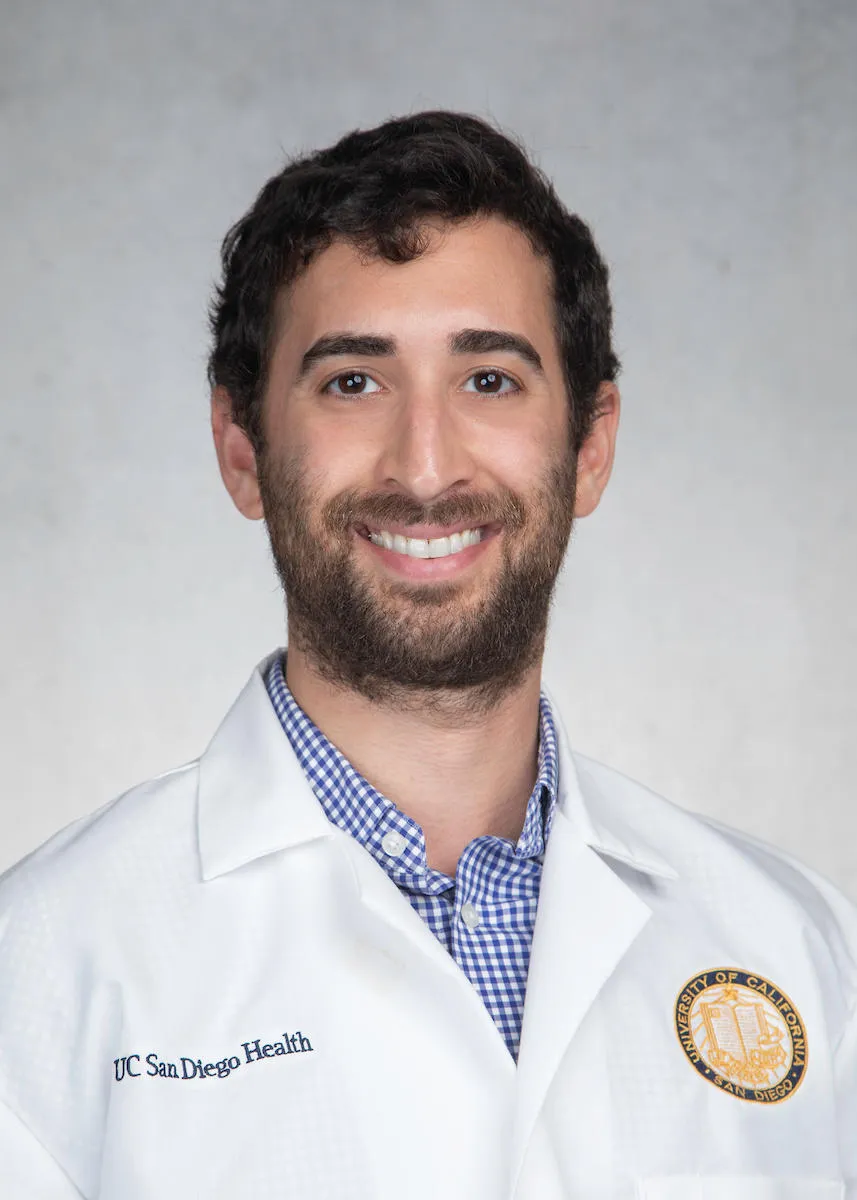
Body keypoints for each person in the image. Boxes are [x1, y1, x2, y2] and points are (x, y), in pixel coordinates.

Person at [0, 111, 854, 1200]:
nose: (424, 466)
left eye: (488, 379)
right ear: (241, 449)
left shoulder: (800, 949)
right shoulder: (40, 976)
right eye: (352, 382)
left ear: (590, 446)